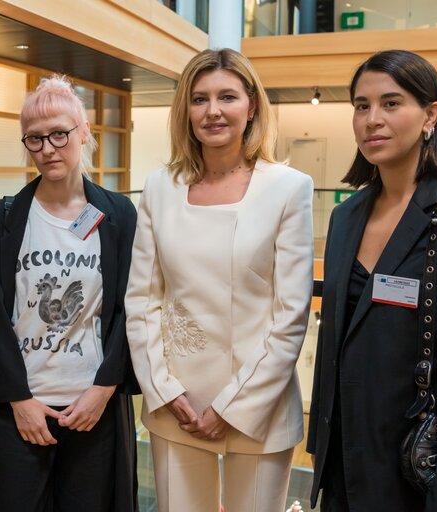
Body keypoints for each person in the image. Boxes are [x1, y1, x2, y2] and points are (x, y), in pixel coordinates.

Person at [307, 50, 437, 511]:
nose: (372, 120)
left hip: (420, 476)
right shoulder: (345, 217)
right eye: (361, 106)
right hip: (345, 470)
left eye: (391, 103)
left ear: (431, 115)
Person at [126, 48, 314, 512]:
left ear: (251, 105)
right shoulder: (159, 187)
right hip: (178, 406)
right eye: (199, 99)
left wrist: (232, 407)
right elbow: (142, 301)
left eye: (226, 97)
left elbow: (290, 316)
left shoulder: (288, 188)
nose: (212, 111)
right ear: (185, 111)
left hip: (258, 407)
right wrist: (166, 390)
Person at [0, 75, 139, 512]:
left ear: (84, 133)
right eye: (34, 139)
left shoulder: (117, 214)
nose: (47, 148)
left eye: (59, 134)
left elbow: (129, 310)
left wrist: (103, 390)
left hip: (93, 407)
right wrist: (19, 401)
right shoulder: (2, 219)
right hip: (22, 407)